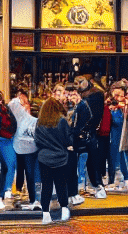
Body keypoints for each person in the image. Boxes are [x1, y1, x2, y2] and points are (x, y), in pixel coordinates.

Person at [35, 92, 76, 224]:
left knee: (46, 186)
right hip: (61, 157)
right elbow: (67, 139)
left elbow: (36, 140)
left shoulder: (40, 122)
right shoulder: (62, 121)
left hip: (44, 157)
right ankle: (64, 209)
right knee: (61, 185)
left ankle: (45, 214)